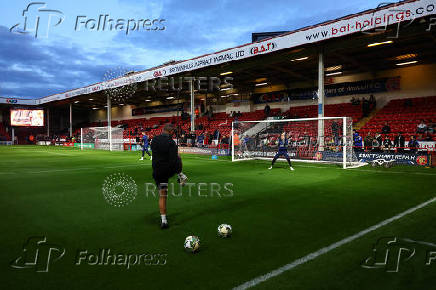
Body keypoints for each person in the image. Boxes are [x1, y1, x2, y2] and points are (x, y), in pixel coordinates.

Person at [151, 123, 188, 229]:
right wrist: (178, 170)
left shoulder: (154, 139)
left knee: (162, 195)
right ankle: (181, 175)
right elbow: (173, 161)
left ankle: (164, 220)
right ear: (171, 132)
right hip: (167, 170)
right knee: (178, 157)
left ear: (163, 130)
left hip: (157, 171)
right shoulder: (171, 143)